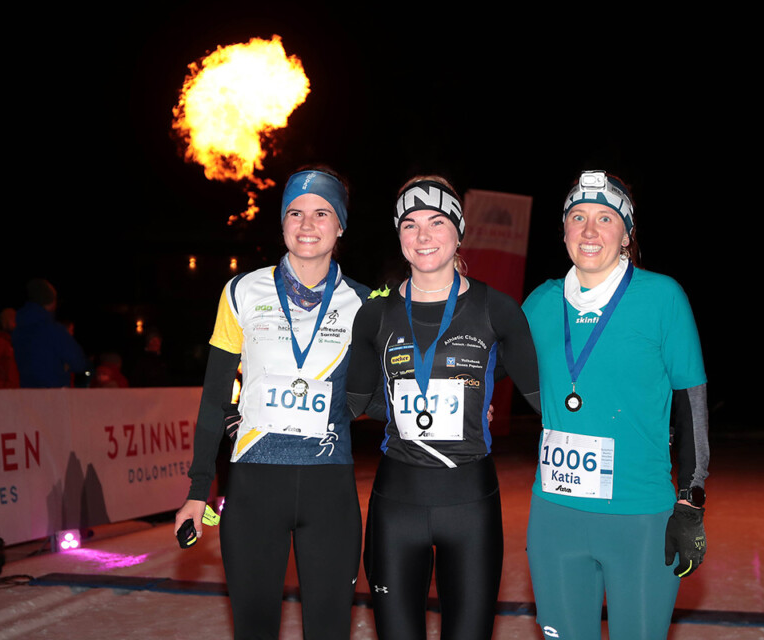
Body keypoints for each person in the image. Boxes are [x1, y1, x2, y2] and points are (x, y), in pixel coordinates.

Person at [174, 167, 370, 639]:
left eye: (322, 213)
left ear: (340, 225)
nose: (307, 224)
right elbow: (214, 396)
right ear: (282, 223)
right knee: (254, 630)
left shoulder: (366, 304)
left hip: (330, 491)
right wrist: (198, 489)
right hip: (253, 490)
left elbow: (386, 395)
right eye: (295, 213)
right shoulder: (243, 291)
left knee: (329, 631)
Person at [346, 175, 541, 640]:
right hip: (396, 505)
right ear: (399, 236)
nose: (424, 235)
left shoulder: (498, 309)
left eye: (437, 222)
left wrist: (478, 399)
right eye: (410, 225)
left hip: (470, 503)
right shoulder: (376, 313)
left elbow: (546, 399)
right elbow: (352, 402)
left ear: (459, 231)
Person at [521, 170, 709, 639]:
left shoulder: (662, 297)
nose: (589, 231)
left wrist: (690, 500)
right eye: (578, 217)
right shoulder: (539, 304)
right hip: (555, 518)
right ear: (563, 229)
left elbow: (692, 407)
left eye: (605, 219)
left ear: (626, 234)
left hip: (639, 520)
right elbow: (485, 368)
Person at [13, 278, 90, 388]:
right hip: (53, 396)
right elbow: (78, 363)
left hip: (27, 395)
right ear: (50, 301)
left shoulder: (18, 331)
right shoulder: (54, 330)